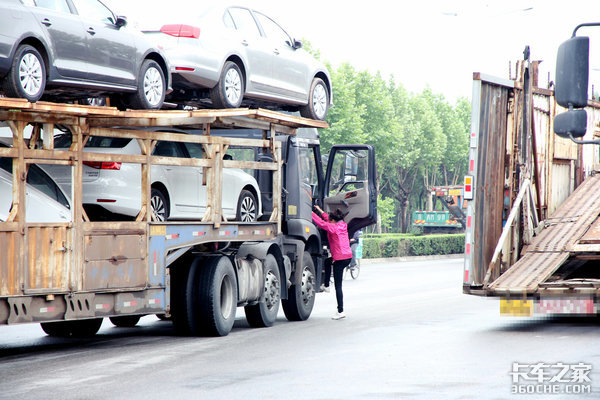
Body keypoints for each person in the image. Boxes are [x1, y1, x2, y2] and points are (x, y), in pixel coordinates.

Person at [312, 205, 352, 320]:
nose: (329, 220)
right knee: (328, 261)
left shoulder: (333, 228)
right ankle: (326, 285)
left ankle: (341, 311)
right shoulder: (343, 225)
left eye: (330, 220)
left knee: (338, 286)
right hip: (347, 256)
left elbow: (321, 223)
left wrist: (309, 212)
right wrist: (319, 210)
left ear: (333, 220)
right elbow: (326, 218)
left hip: (340, 259)